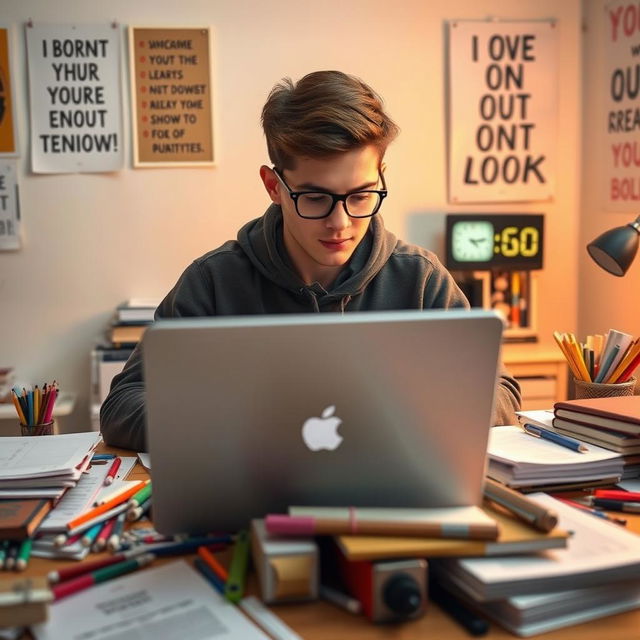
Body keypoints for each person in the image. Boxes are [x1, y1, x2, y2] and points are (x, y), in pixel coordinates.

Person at [101, 70, 520, 452]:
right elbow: (123, 405)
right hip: (254, 502)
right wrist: (240, 424)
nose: (340, 223)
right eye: (315, 198)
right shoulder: (213, 282)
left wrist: (409, 416)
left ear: (381, 175)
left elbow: (500, 391)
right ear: (273, 186)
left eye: (361, 195)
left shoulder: (421, 280)